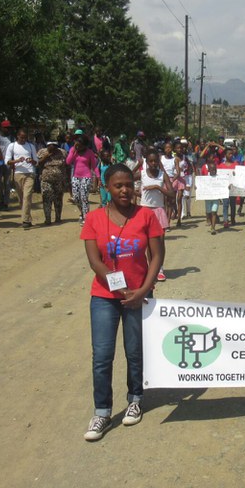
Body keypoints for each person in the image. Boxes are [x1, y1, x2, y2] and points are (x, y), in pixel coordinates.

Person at [80, 163, 164, 441]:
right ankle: (102, 412)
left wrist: (143, 289)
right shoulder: (93, 218)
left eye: (129, 184)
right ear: (107, 188)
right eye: (118, 185)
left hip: (139, 296)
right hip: (104, 297)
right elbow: (95, 261)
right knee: (102, 356)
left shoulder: (147, 216)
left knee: (135, 350)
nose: (125, 190)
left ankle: (135, 398)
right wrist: (120, 285)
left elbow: (157, 256)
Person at [140, 148, 173, 281]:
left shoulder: (162, 175)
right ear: (147, 162)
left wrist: (158, 187)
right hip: (145, 211)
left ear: (159, 162)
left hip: (158, 211)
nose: (153, 163)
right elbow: (126, 179)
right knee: (148, 243)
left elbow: (171, 193)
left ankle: (160, 269)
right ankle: (151, 269)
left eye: (155, 161)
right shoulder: (142, 174)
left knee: (160, 242)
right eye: (151, 161)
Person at [4, 129, 38, 228]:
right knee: (21, 198)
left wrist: (32, 161)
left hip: (30, 173)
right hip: (18, 174)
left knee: (27, 196)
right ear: (17, 136)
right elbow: (7, 161)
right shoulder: (12, 146)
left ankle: (25, 221)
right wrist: (17, 160)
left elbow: (36, 161)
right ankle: (27, 217)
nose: (23, 139)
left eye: (25, 137)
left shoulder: (31, 146)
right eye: (21, 137)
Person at [66, 134, 98, 224]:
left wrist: (99, 177)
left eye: (80, 145)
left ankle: (86, 217)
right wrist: (74, 151)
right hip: (75, 177)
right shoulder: (73, 150)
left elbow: (94, 167)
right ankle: (82, 212)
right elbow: (68, 162)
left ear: (85, 145)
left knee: (84, 197)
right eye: (77, 144)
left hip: (86, 177)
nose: (78, 147)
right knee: (76, 198)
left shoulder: (90, 152)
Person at [37, 141, 67, 225]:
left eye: (55, 146)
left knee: (58, 199)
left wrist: (66, 179)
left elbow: (66, 165)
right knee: (47, 199)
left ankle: (58, 218)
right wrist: (46, 156)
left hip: (59, 179)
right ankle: (48, 219)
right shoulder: (42, 152)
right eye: (51, 146)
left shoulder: (62, 152)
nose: (53, 148)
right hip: (46, 179)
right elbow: (38, 164)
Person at [0, 120, 13, 210]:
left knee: (7, 183)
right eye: (6, 127)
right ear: (1, 128)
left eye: (9, 128)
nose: (8, 129)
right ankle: (1, 199)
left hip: (8, 163)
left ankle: (5, 203)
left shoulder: (12, 138)